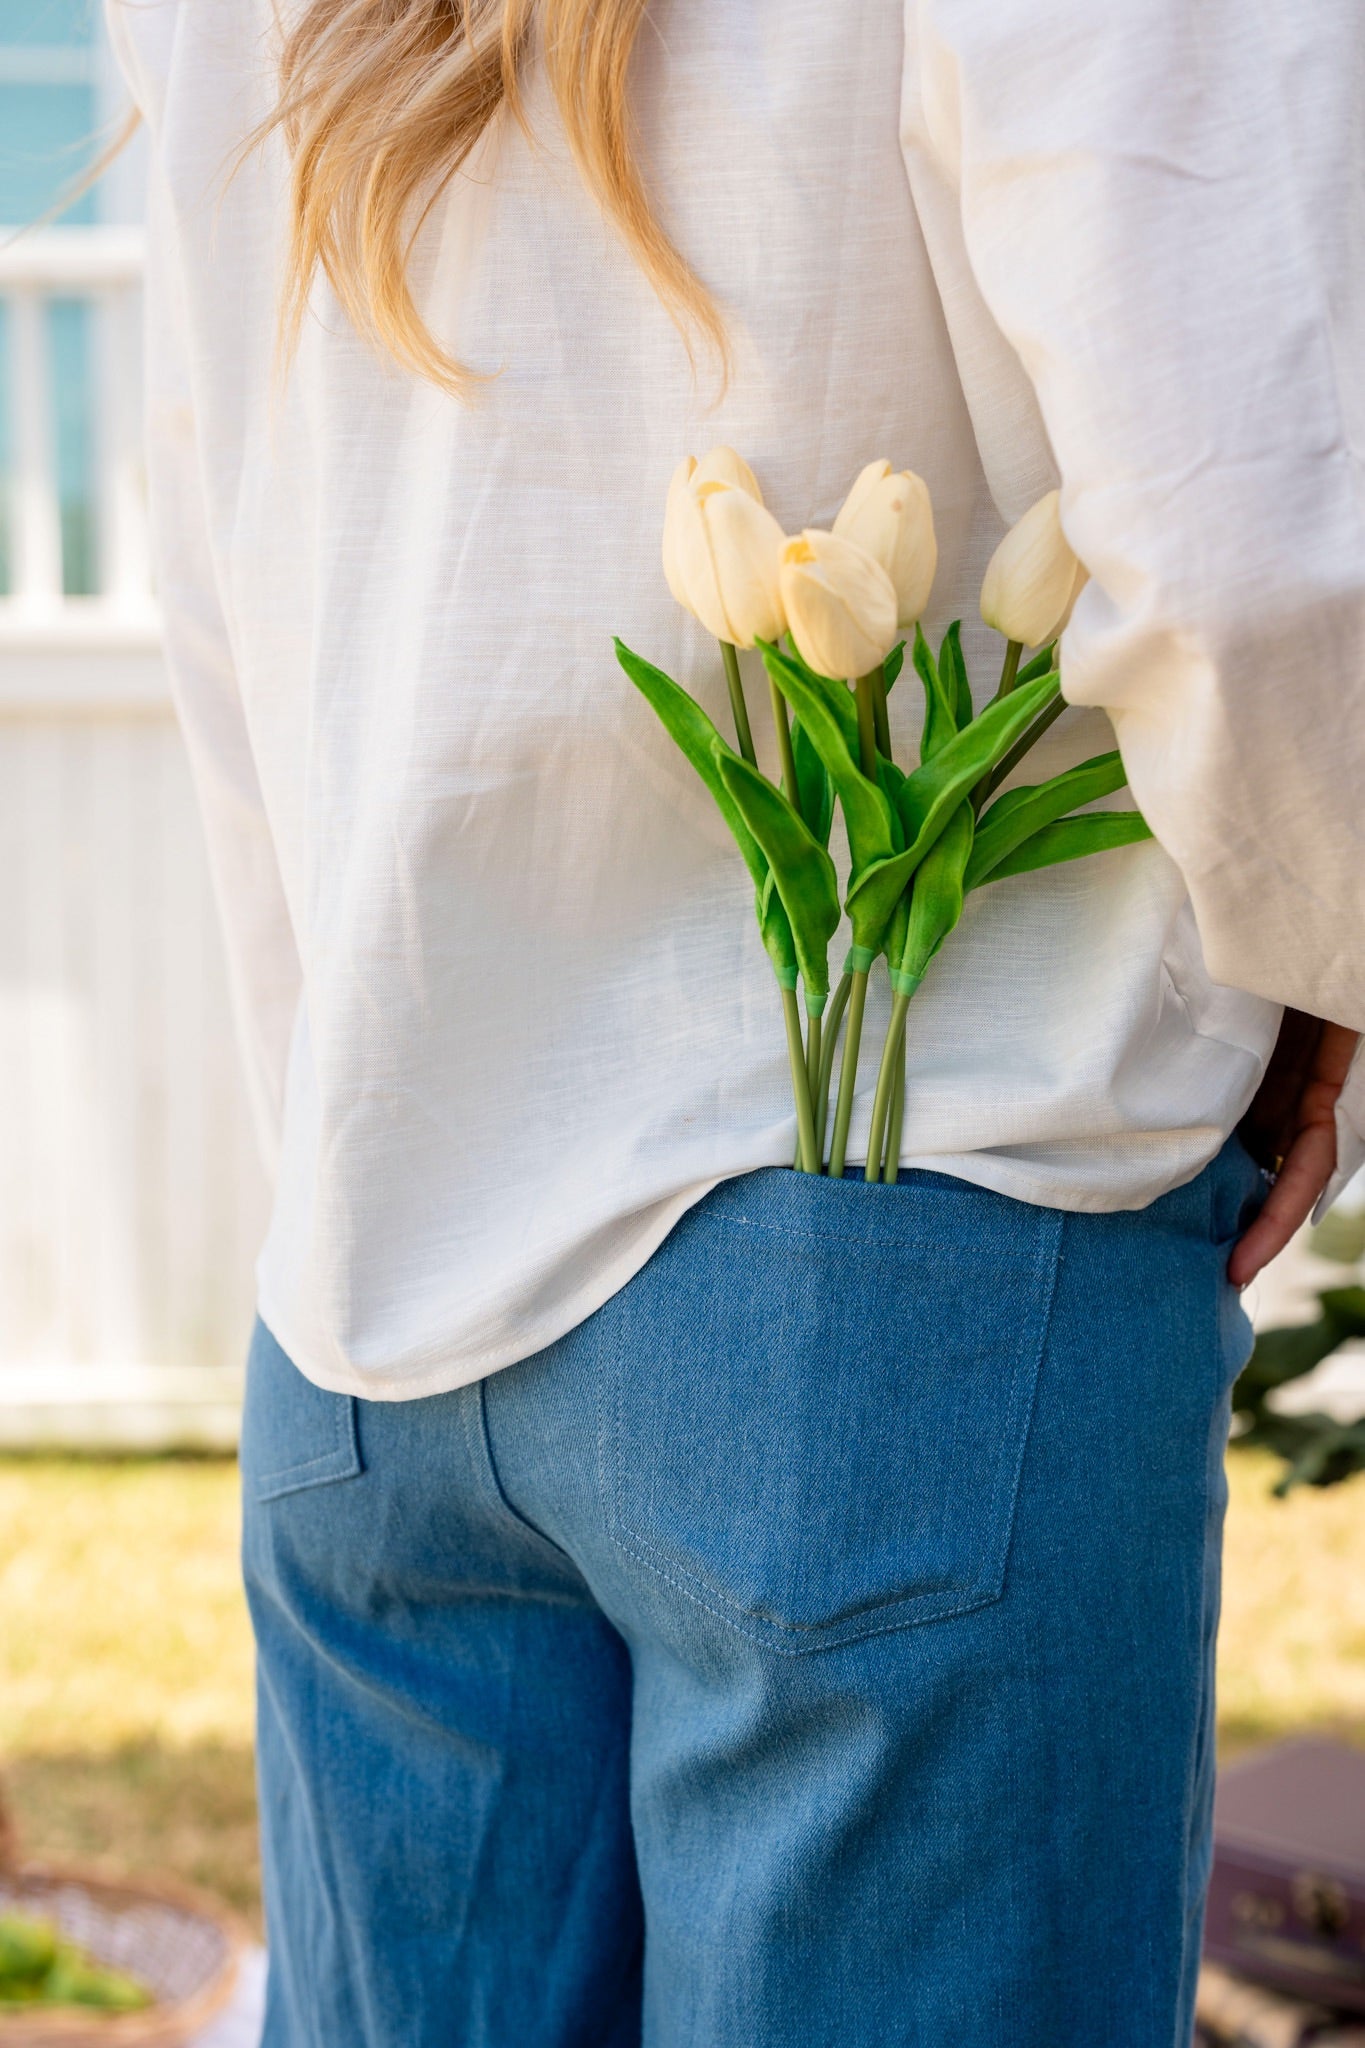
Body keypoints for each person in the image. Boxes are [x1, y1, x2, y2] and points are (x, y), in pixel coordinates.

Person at [107, 2, 1363, 2041]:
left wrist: (352, 1108)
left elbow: (224, 574)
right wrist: (1318, 963)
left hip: (370, 1313)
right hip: (908, 1302)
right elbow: (1254, 520)